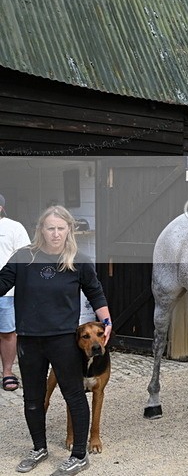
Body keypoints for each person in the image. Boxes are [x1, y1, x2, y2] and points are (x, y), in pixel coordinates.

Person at [0, 206, 111, 475]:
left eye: (61, 228)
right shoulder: (23, 257)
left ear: (69, 230)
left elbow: (95, 292)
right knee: (33, 398)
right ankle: (39, 448)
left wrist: (106, 321)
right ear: (41, 230)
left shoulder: (78, 260)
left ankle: (79, 455)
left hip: (63, 339)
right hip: (29, 339)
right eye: (51, 228)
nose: (56, 233)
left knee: (74, 396)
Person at [0, 194, 31, 393]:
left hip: (7, 291)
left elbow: (25, 258)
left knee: (7, 332)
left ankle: (7, 372)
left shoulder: (14, 228)